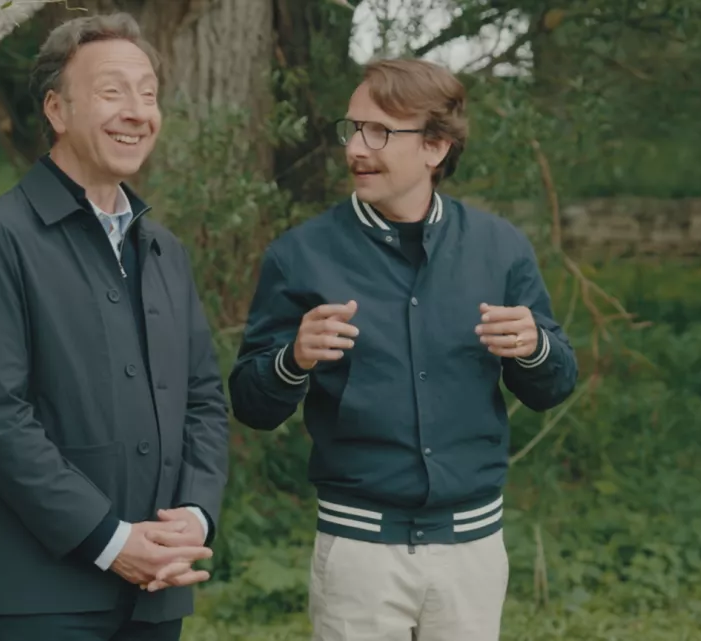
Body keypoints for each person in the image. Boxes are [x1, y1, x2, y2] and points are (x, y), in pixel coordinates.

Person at [228, 58, 579, 641]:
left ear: (435, 147)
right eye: (352, 129)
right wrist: (294, 359)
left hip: (472, 550)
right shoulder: (299, 256)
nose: (355, 148)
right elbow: (250, 403)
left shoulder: (500, 249)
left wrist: (535, 346)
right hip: (358, 552)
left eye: (379, 132)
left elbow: (554, 386)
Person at [0, 13, 229, 641]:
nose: (137, 112)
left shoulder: (163, 250)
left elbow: (203, 398)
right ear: (56, 110)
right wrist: (109, 540)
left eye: (148, 94)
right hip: (34, 598)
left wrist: (196, 514)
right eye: (112, 91)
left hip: (156, 592)